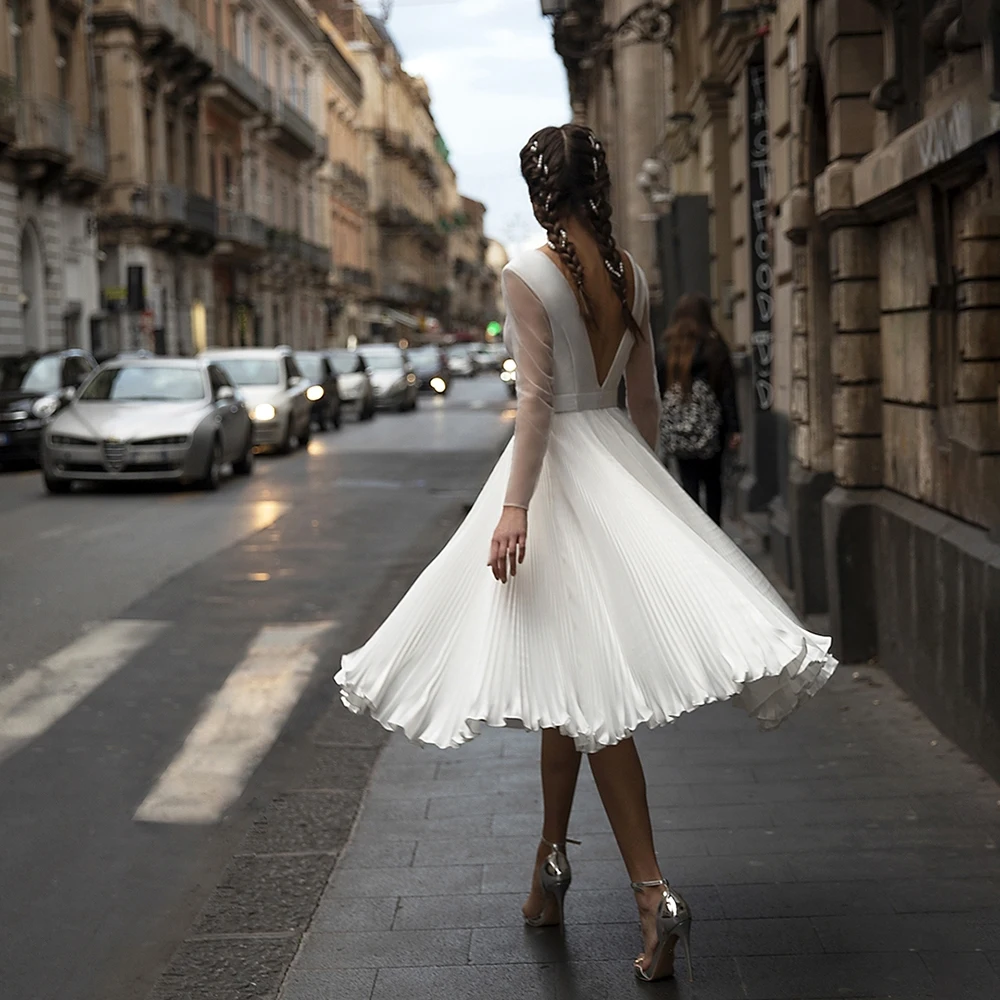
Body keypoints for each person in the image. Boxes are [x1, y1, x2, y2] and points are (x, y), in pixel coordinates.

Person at [336, 124, 836, 983]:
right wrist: (645, 495)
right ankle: (549, 871)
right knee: (572, 687)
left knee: (593, 696)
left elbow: (535, 404)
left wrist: (513, 508)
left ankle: (652, 895)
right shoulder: (631, 273)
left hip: (558, 478)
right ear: (595, 184)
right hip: (615, 468)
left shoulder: (527, 273)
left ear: (539, 191)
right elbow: (641, 401)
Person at [660, 294, 741, 525]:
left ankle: (696, 533)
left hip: (679, 433)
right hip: (711, 430)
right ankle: (715, 530)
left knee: (689, 483)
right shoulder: (715, 347)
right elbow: (727, 391)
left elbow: (658, 389)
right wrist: (734, 428)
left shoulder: (667, 349)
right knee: (713, 482)